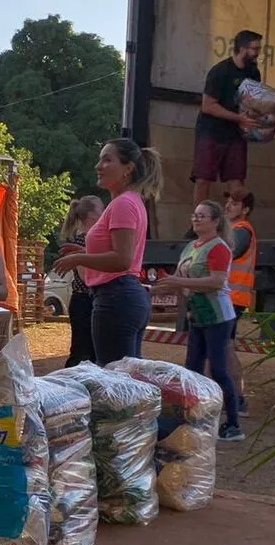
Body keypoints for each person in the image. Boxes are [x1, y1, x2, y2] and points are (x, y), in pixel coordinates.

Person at [52, 139, 162, 365]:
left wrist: (78, 258)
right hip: (125, 295)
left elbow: (122, 259)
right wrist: (84, 251)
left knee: (115, 381)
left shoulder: (123, 204)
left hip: (116, 297)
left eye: (107, 159)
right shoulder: (131, 201)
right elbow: (119, 253)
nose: (98, 166)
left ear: (128, 169)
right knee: (127, 380)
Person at [154, 201, 244, 442]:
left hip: (217, 316)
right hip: (198, 315)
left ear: (215, 221)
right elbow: (180, 278)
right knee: (192, 367)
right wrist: (158, 289)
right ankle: (193, 417)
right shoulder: (191, 247)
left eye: (202, 216)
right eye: (194, 215)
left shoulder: (219, 248)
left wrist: (179, 283)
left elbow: (216, 281)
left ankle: (233, 423)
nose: (196, 219)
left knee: (218, 368)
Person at [193, 30, 263, 208]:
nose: (258, 53)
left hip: (236, 134)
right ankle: (198, 221)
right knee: (203, 179)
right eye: (255, 49)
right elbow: (208, 105)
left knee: (236, 180)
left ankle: (236, 223)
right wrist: (239, 118)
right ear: (242, 49)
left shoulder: (254, 73)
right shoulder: (219, 71)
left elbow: (253, 101)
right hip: (211, 131)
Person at [58, 196, 103, 366]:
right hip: (83, 301)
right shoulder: (83, 239)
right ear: (92, 216)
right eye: (101, 209)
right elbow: (86, 277)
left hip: (88, 301)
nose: (105, 212)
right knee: (81, 353)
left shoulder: (90, 240)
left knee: (90, 352)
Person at [225, 190, 256, 416]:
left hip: (231, 299)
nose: (228, 205)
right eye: (227, 201)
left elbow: (228, 252)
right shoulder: (237, 230)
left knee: (224, 348)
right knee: (222, 348)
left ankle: (237, 399)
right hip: (228, 298)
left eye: (234, 203)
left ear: (245, 209)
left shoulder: (242, 231)